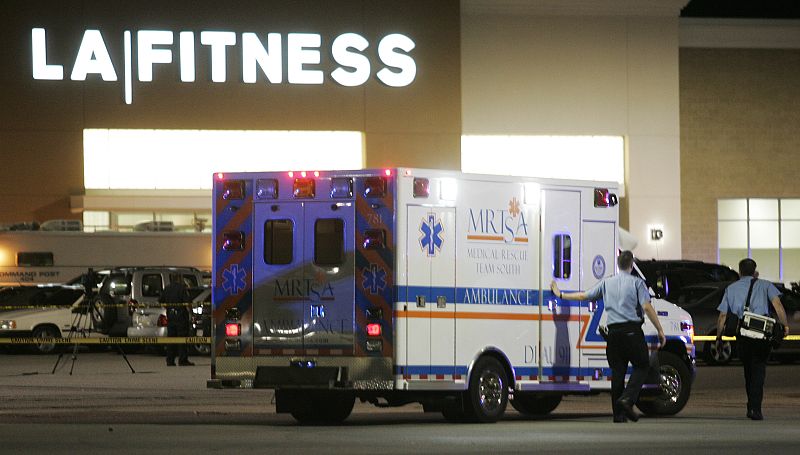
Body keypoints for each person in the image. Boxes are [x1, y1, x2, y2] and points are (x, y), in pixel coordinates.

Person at [551, 250, 665, 423]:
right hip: (632, 331)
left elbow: (584, 295)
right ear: (632, 265)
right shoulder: (637, 283)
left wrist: (560, 294)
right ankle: (627, 399)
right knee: (642, 365)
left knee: (617, 372)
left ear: (618, 265)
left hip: (613, 334)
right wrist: (660, 330)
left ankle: (618, 415)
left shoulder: (607, 282)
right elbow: (647, 307)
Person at [715, 258, 789, 420]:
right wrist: (785, 326)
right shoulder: (766, 285)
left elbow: (722, 316)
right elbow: (778, 305)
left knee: (748, 371)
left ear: (740, 272)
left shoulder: (731, 289)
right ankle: (755, 408)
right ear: (755, 271)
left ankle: (751, 405)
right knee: (758, 370)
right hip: (762, 336)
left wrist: (719, 337)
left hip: (742, 336)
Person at [161, 277, 194, 366]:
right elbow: (187, 303)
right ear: (179, 279)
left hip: (171, 316)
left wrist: (169, 308)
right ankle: (182, 360)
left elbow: (160, 301)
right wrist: (191, 313)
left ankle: (170, 360)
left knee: (171, 339)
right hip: (181, 316)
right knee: (182, 338)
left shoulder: (167, 288)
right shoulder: (182, 288)